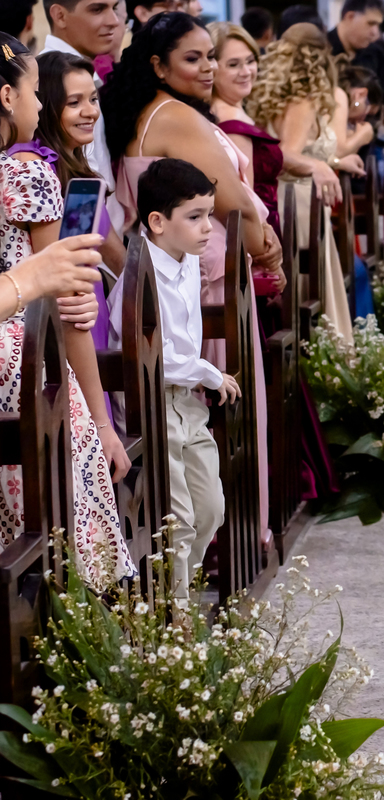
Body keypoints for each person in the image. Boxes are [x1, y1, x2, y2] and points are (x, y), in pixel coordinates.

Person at [102, 11, 280, 542]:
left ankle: (208, 539)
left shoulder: (150, 111)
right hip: (209, 275)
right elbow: (230, 200)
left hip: (190, 267)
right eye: (192, 58)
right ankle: (230, 538)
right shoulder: (175, 117)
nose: (206, 68)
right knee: (219, 413)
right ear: (158, 65)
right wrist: (264, 244)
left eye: (209, 56)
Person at [0, 32, 135, 588]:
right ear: (8, 97)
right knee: (67, 528)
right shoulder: (29, 173)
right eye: (34, 91)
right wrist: (101, 422)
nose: (37, 105)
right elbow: (72, 310)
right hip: (25, 367)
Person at [111, 158, 238, 599]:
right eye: (196, 217)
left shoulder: (184, 259)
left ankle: (181, 590)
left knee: (211, 510)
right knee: (178, 519)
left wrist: (200, 377)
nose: (208, 227)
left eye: (210, 214)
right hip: (151, 405)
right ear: (157, 221)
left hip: (186, 403)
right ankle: (176, 618)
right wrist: (208, 371)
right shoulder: (138, 275)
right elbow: (148, 355)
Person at [247, 22, 358, 338]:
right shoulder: (305, 98)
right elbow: (285, 152)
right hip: (299, 199)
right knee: (309, 288)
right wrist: (316, 166)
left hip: (288, 196)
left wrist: (329, 162)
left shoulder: (275, 94)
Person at [33, 51, 127, 276]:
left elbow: (120, 261)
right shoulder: (38, 174)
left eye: (93, 99)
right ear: (44, 107)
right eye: (74, 103)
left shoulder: (77, 173)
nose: (92, 112)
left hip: (91, 304)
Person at [41, 0, 124, 234]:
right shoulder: (52, 78)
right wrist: (124, 267)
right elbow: (84, 193)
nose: (114, 21)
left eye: (114, 8)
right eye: (97, 9)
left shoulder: (78, 73)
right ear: (60, 16)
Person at [208, 21, 284, 236]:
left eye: (250, 61)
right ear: (212, 68)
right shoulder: (231, 122)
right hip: (256, 234)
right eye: (233, 64)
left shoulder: (233, 109)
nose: (246, 71)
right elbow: (246, 199)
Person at [327, 0, 384, 147]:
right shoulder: (323, 50)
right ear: (350, 16)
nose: (375, 32)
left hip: (369, 145)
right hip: (330, 142)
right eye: (371, 24)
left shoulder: (376, 55)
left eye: (378, 25)